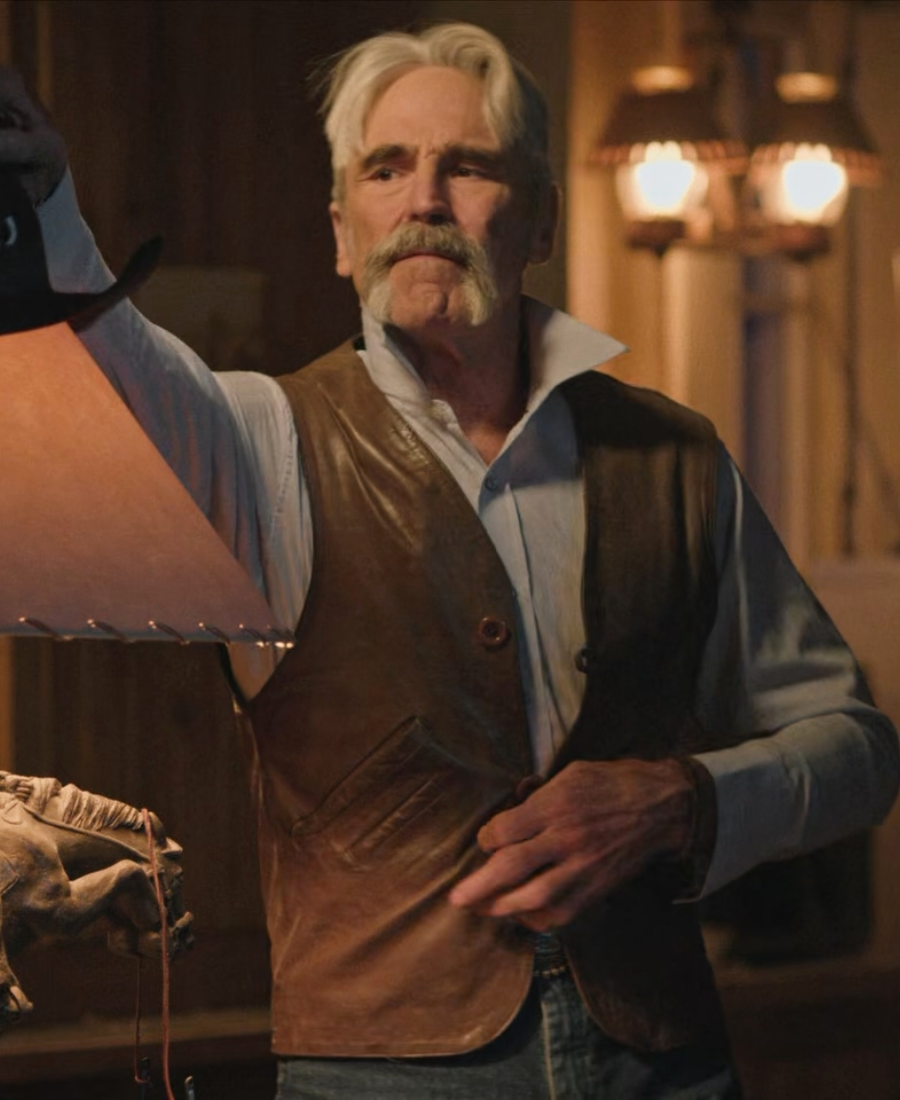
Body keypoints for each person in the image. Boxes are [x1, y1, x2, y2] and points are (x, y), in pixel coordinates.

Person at [0, 22, 897, 1100]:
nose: (425, 198)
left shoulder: (671, 454)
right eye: (386, 168)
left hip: (666, 1062)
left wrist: (683, 798)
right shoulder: (258, 441)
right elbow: (128, 374)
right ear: (342, 230)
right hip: (379, 1074)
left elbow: (857, 747)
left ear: (545, 220)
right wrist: (48, 204)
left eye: (467, 165)